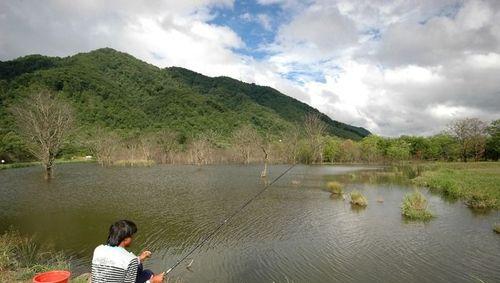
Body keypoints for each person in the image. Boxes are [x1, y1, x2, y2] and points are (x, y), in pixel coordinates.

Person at [91, 220, 165, 283]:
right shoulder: (130, 259)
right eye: (131, 236)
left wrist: (140, 258)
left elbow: (117, 260)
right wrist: (152, 281)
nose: (132, 238)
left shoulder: (98, 249)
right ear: (126, 239)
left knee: (140, 267)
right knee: (148, 274)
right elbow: (127, 261)